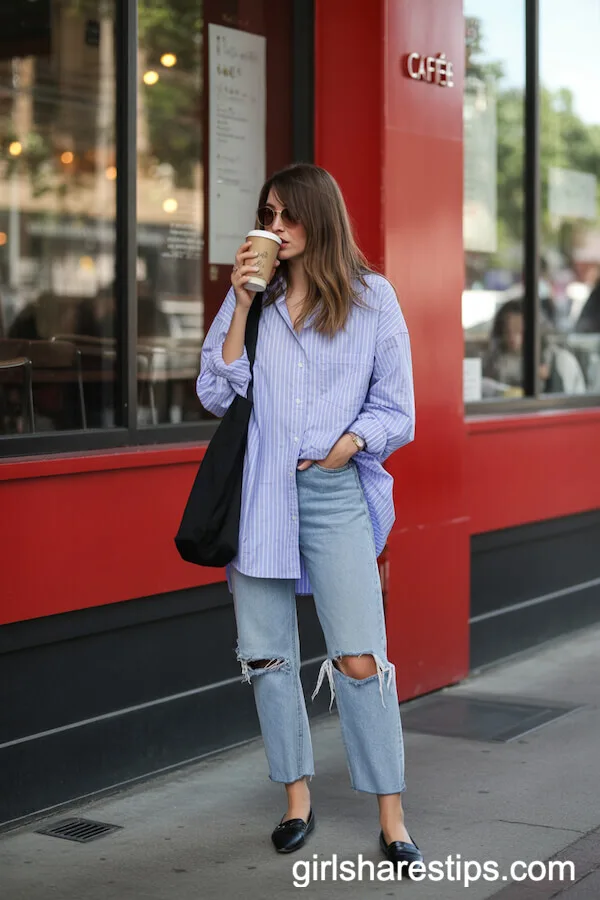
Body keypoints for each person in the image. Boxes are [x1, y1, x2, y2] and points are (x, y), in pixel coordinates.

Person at [196, 163, 420, 869]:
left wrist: (344, 447)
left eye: (288, 216)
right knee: (266, 655)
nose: (275, 228)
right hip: (260, 496)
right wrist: (238, 302)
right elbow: (214, 388)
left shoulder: (371, 299)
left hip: (332, 494)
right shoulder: (255, 302)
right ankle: (296, 799)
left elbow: (397, 408)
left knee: (359, 656)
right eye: (268, 214)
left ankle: (393, 815)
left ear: (319, 220)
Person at [483, 298, 586, 395]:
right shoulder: (495, 361)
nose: (513, 338)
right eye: (507, 332)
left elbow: (571, 401)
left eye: (521, 332)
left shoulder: (560, 360)